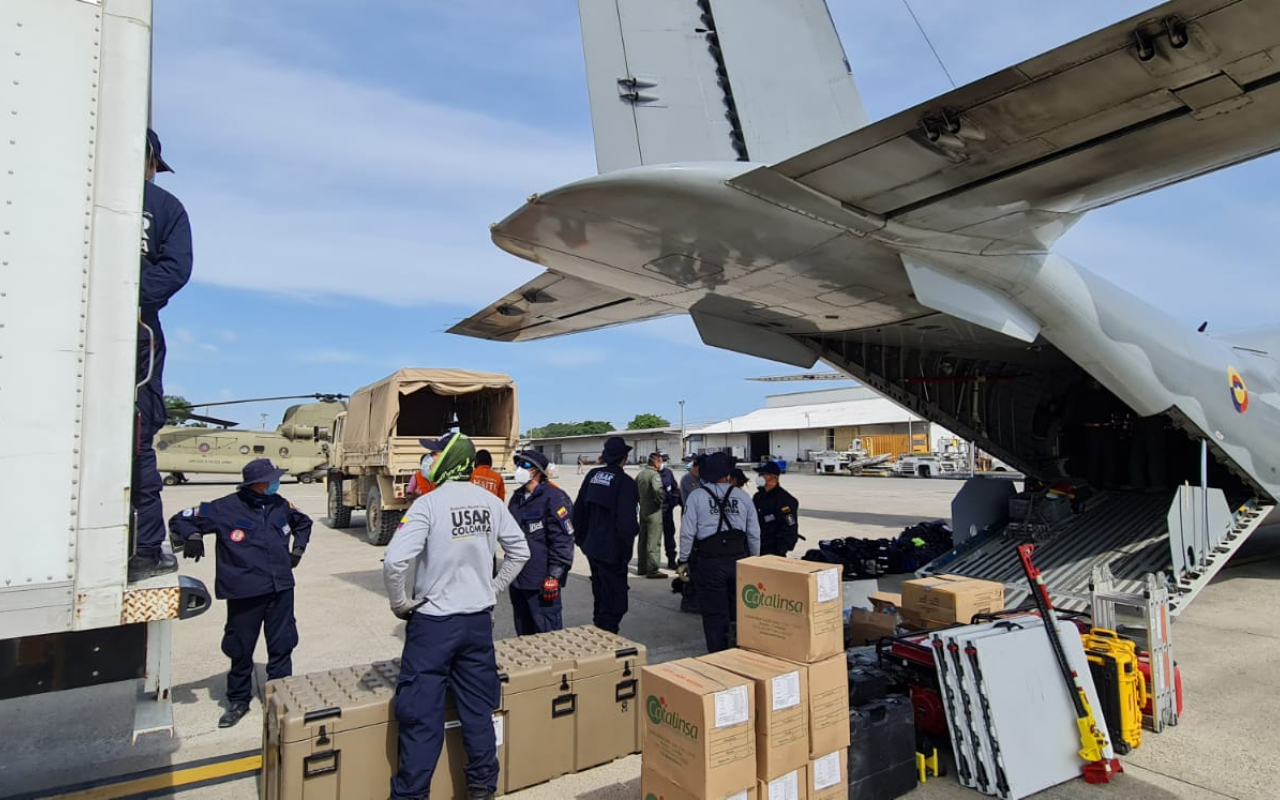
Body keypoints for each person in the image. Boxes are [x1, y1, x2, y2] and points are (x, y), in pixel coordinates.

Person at [383, 432, 530, 800]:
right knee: (477, 710)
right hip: (477, 623)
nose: (427, 461)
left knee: (421, 718)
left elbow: (396, 561)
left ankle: (412, 793)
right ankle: (482, 789)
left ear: (447, 460)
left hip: (434, 623)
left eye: (432, 454)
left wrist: (400, 603)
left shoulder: (427, 505)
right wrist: (492, 589)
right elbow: (520, 552)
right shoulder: (490, 502)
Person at [169, 459, 311, 728]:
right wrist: (194, 536)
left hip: (280, 587)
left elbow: (303, 523)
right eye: (270, 480)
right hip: (245, 591)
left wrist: (298, 550)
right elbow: (179, 519)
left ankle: (280, 698)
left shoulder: (280, 504)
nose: (274, 483)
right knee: (240, 648)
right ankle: (238, 700)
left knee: (283, 643)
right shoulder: (223, 508)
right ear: (255, 484)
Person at [130, 128, 193, 582]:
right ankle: (146, 546)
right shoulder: (168, 207)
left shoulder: (164, 207)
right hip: (138, 325)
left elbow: (176, 268)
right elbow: (176, 268)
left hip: (135, 327)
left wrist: (121, 301)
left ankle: (146, 544)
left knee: (137, 431)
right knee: (140, 431)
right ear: (151, 159)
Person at [678, 452, 760, 653]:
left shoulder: (697, 496)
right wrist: (755, 561)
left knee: (714, 614)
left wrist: (683, 559)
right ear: (728, 474)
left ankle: (718, 654)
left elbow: (687, 532)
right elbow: (754, 533)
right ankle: (740, 651)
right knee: (738, 611)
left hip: (709, 562)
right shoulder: (742, 497)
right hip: (737, 560)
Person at [572, 436, 640, 633]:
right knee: (615, 601)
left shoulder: (592, 476)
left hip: (593, 547)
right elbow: (627, 523)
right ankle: (607, 635)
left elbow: (579, 510)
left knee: (600, 593)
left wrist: (582, 540)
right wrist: (624, 554)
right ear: (624, 458)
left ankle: (600, 627)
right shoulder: (625, 483)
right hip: (613, 551)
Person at [507, 450, 575, 635]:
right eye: (518, 464)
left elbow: (563, 540)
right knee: (524, 636)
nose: (519, 469)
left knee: (547, 635)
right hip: (519, 580)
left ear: (537, 471)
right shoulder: (516, 498)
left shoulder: (554, 498)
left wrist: (554, 576)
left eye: (525, 465)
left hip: (541, 582)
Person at [753, 461, 800, 557]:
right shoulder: (758, 497)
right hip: (758, 545)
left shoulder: (785, 501)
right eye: (759, 474)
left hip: (773, 549)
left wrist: (782, 547)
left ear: (774, 477)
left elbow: (790, 525)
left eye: (763, 474)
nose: (759, 477)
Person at [635, 452, 668, 579]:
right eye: (660, 462)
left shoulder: (641, 474)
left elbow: (634, 490)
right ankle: (653, 569)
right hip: (653, 511)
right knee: (654, 540)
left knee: (643, 539)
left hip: (643, 509)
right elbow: (658, 491)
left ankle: (642, 567)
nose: (661, 464)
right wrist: (661, 502)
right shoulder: (654, 475)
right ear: (656, 462)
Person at [658, 452, 682, 571]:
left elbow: (675, 488)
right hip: (654, 511)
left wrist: (674, 501)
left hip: (667, 510)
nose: (664, 463)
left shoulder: (668, 473)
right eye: (662, 460)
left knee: (669, 535)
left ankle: (671, 560)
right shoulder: (649, 474)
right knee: (653, 538)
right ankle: (651, 563)